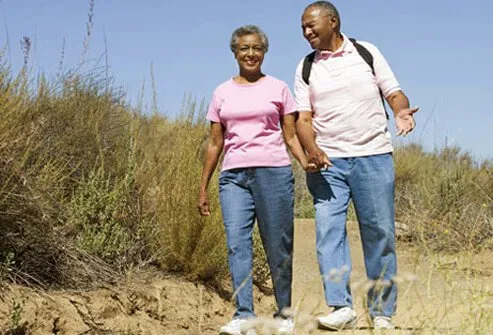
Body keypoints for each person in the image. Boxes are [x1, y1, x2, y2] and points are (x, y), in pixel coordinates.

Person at [294, 1, 419, 331]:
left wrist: (401, 112)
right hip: (328, 164)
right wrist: (312, 148)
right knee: (328, 233)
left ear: (332, 21)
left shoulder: (366, 52)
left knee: (379, 234)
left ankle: (382, 313)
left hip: (373, 157)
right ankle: (340, 306)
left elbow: (394, 93)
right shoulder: (306, 66)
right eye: (303, 27)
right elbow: (303, 119)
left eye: (311, 25)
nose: (306, 32)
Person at [198, 25, 314, 335]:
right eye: (244, 48)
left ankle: (284, 314)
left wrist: (305, 163)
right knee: (237, 246)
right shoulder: (221, 92)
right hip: (233, 178)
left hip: (273, 173)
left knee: (278, 246)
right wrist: (203, 187)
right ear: (234, 52)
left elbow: (289, 136)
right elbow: (214, 143)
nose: (250, 53)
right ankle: (244, 315)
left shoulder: (278, 88)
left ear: (264, 52)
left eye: (256, 48)